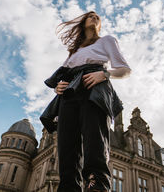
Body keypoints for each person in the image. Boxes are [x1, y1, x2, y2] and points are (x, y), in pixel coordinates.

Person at [41, 11, 131, 192]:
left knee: (95, 138)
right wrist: (58, 87)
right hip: (69, 95)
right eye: (90, 15)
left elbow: (125, 70)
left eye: (98, 16)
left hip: (94, 89)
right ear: (83, 23)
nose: (95, 16)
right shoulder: (74, 51)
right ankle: (68, 187)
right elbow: (64, 74)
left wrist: (104, 74)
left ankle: (97, 184)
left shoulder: (107, 40)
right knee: (67, 145)